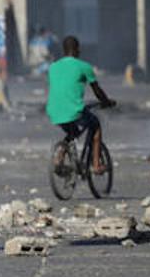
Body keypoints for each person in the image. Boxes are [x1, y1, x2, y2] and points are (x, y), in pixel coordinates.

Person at [46, 35, 114, 174]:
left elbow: (63, 89)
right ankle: (96, 165)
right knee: (95, 125)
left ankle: (59, 156)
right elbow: (97, 90)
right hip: (73, 110)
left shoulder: (53, 67)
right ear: (77, 50)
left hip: (53, 110)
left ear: (64, 50)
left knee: (73, 132)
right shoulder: (84, 67)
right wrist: (106, 102)